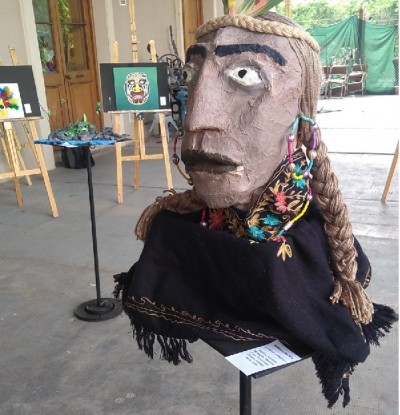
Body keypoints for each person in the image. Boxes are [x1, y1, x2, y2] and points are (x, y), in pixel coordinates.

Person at [114, 12, 396, 408]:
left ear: (302, 119)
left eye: (245, 75)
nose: (196, 118)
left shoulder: (311, 243)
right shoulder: (176, 225)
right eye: (192, 76)